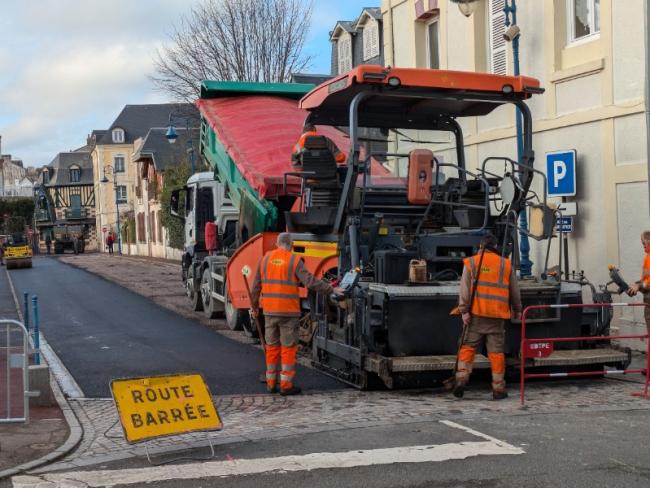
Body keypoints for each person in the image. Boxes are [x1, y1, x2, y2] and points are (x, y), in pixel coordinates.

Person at [251, 233, 342, 395]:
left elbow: (255, 286)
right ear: (290, 244)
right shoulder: (293, 260)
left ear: (277, 244)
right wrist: (331, 289)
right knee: (288, 347)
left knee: (271, 347)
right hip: (288, 313)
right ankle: (286, 386)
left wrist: (254, 306)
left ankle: (271, 383)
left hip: (270, 312)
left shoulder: (264, 260)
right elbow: (310, 281)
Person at [454, 233, 522, 400]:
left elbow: (464, 289)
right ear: (496, 247)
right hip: (497, 317)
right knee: (496, 353)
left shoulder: (471, 262)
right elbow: (514, 290)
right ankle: (498, 388)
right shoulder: (505, 264)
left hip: (476, 316)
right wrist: (518, 309)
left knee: (468, 347)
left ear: (481, 246)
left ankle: (461, 379)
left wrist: (464, 311)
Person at [626, 231, 650, 332]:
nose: (643, 246)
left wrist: (639, 286)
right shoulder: (648, 258)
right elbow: (646, 279)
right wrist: (636, 285)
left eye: (644, 243)